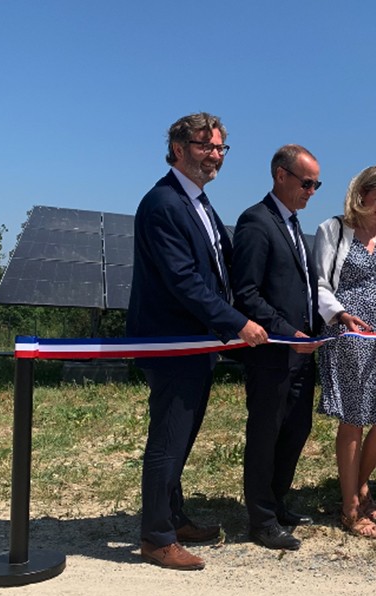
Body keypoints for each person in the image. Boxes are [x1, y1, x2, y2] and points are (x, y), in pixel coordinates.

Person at [127, 112, 268, 570]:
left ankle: (173, 516)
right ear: (178, 147)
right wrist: (236, 323)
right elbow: (184, 282)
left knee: (180, 438)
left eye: (221, 148)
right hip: (172, 345)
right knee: (167, 440)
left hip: (196, 344)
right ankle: (156, 537)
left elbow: (218, 272)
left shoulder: (200, 203)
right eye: (206, 146)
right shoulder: (163, 204)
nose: (215, 156)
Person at [313, 165, 376, 538]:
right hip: (349, 334)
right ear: (359, 197)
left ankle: (359, 482)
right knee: (354, 418)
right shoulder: (333, 230)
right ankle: (351, 508)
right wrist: (340, 315)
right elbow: (321, 283)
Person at [231, 145, 324, 550]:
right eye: (307, 182)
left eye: (316, 184)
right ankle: (261, 518)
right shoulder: (256, 222)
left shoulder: (294, 226)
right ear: (281, 176)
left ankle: (277, 500)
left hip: (302, 352)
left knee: (296, 429)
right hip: (273, 353)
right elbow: (247, 294)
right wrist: (288, 332)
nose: (312, 190)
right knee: (266, 434)